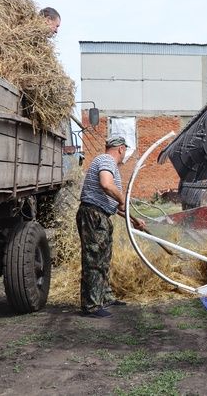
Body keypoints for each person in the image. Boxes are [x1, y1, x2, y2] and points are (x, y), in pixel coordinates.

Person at [76, 136, 145, 318]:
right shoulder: (106, 160)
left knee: (103, 259)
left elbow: (111, 204)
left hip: (100, 214)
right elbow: (106, 184)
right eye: (125, 152)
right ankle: (91, 306)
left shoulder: (106, 162)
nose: (124, 156)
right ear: (121, 149)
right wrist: (122, 199)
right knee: (94, 260)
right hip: (93, 216)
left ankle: (104, 296)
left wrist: (133, 219)